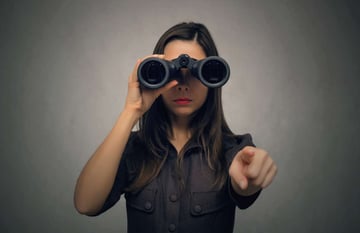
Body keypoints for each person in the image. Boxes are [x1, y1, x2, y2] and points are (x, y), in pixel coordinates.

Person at [74, 22, 277, 233]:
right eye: (171, 72)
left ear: (212, 77)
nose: (182, 84)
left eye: (196, 71)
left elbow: (244, 181)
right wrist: (132, 110)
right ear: (154, 73)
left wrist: (249, 178)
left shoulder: (232, 151)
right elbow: (86, 204)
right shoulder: (135, 150)